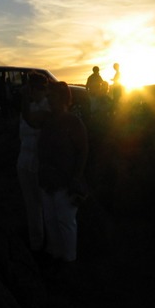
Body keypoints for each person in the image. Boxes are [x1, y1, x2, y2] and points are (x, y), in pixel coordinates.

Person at [36, 82, 89, 263]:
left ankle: (68, 259)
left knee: (65, 222)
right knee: (50, 220)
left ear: (62, 98)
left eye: (51, 96)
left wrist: (75, 177)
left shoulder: (73, 122)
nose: (48, 99)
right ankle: (55, 254)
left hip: (64, 181)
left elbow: (83, 151)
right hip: (47, 179)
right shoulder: (48, 120)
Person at [18, 72, 49, 251]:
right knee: (32, 206)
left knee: (43, 205)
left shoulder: (47, 108)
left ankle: (44, 243)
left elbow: (32, 123)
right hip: (24, 162)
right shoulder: (28, 106)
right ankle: (36, 243)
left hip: (40, 164)